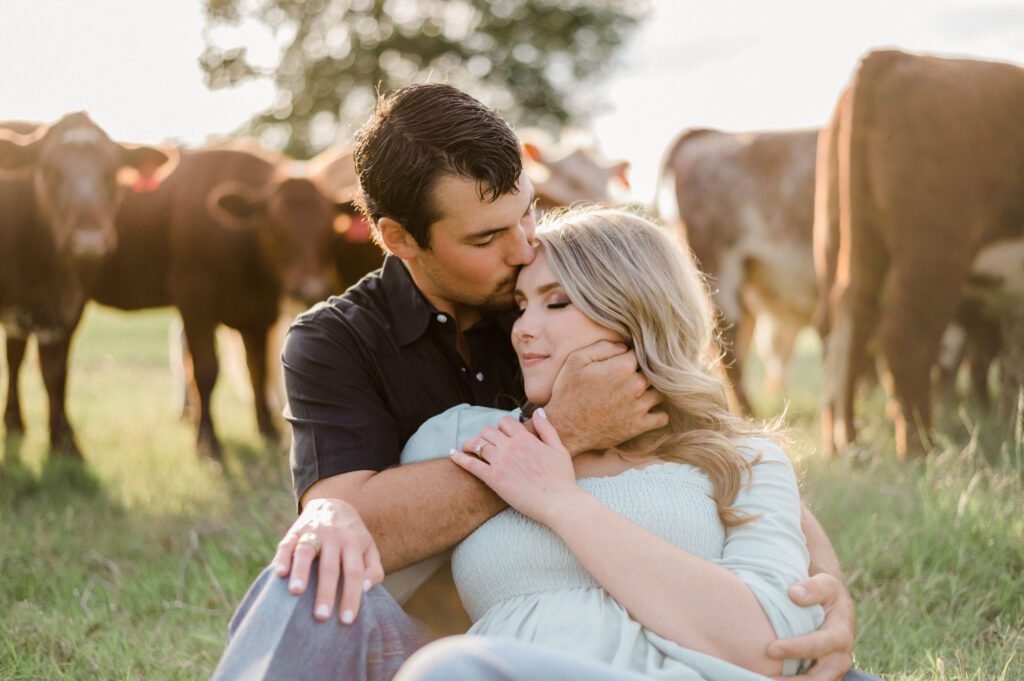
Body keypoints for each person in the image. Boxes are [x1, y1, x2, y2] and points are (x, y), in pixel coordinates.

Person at [212, 84, 867, 681]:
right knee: (316, 576)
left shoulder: (555, 278)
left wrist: (825, 590)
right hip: (466, 636)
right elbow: (356, 528)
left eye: (526, 213)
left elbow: (724, 458)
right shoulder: (338, 341)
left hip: (634, 647)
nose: (525, 247)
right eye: (489, 237)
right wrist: (561, 435)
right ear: (398, 238)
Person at [392, 205, 834, 680]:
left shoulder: (745, 460)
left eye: (557, 302)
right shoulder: (462, 438)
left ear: (634, 310)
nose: (522, 330)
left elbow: (774, 646)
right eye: (521, 306)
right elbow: (358, 580)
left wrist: (562, 504)